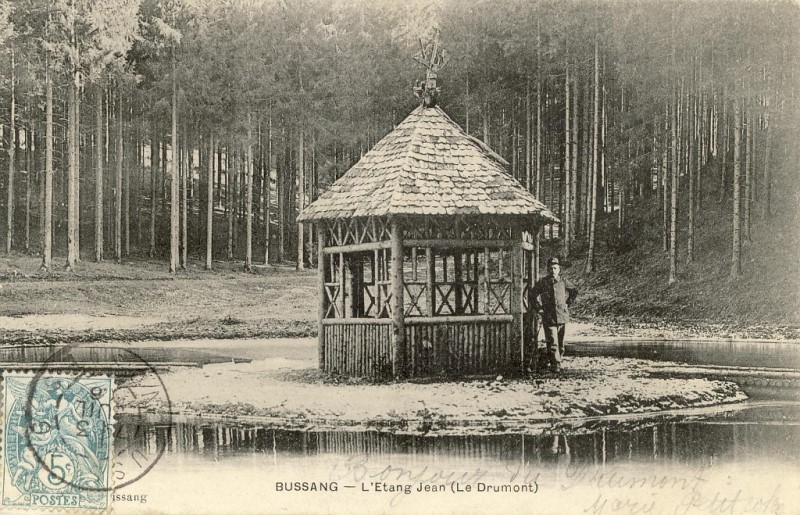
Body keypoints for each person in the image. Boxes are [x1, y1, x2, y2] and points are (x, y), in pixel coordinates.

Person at [529, 257, 578, 373]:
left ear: (559, 269)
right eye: (551, 268)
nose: (553, 271)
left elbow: (574, 290)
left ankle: (557, 361)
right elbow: (532, 295)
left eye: (555, 268)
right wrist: (539, 308)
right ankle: (555, 364)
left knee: (560, 343)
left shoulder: (563, 281)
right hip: (548, 317)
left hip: (561, 316)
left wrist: (568, 303)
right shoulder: (543, 282)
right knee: (552, 342)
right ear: (548, 269)